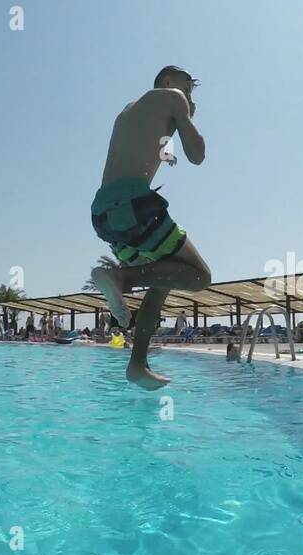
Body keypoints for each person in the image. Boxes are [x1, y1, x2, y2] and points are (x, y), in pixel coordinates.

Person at [89, 66, 211, 389]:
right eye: (188, 88)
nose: (189, 96)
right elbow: (197, 155)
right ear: (169, 82)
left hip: (104, 214)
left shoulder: (128, 112)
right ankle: (121, 278)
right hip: (133, 205)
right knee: (199, 276)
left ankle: (137, 364)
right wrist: (188, 116)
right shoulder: (172, 97)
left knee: (163, 276)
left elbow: (145, 150)